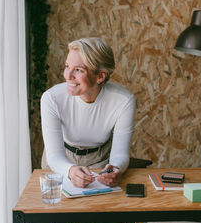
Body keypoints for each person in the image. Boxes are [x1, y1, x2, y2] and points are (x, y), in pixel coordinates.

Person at [41, 37, 135, 188]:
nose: (68, 76)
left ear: (100, 76)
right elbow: (54, 156)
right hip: (60, 160)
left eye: (78, 70)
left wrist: (115, 168)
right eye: (67, 66)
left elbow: (120, 154)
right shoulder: (51, 98)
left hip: (100, 160)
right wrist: (70, 170)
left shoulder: (123, 100)